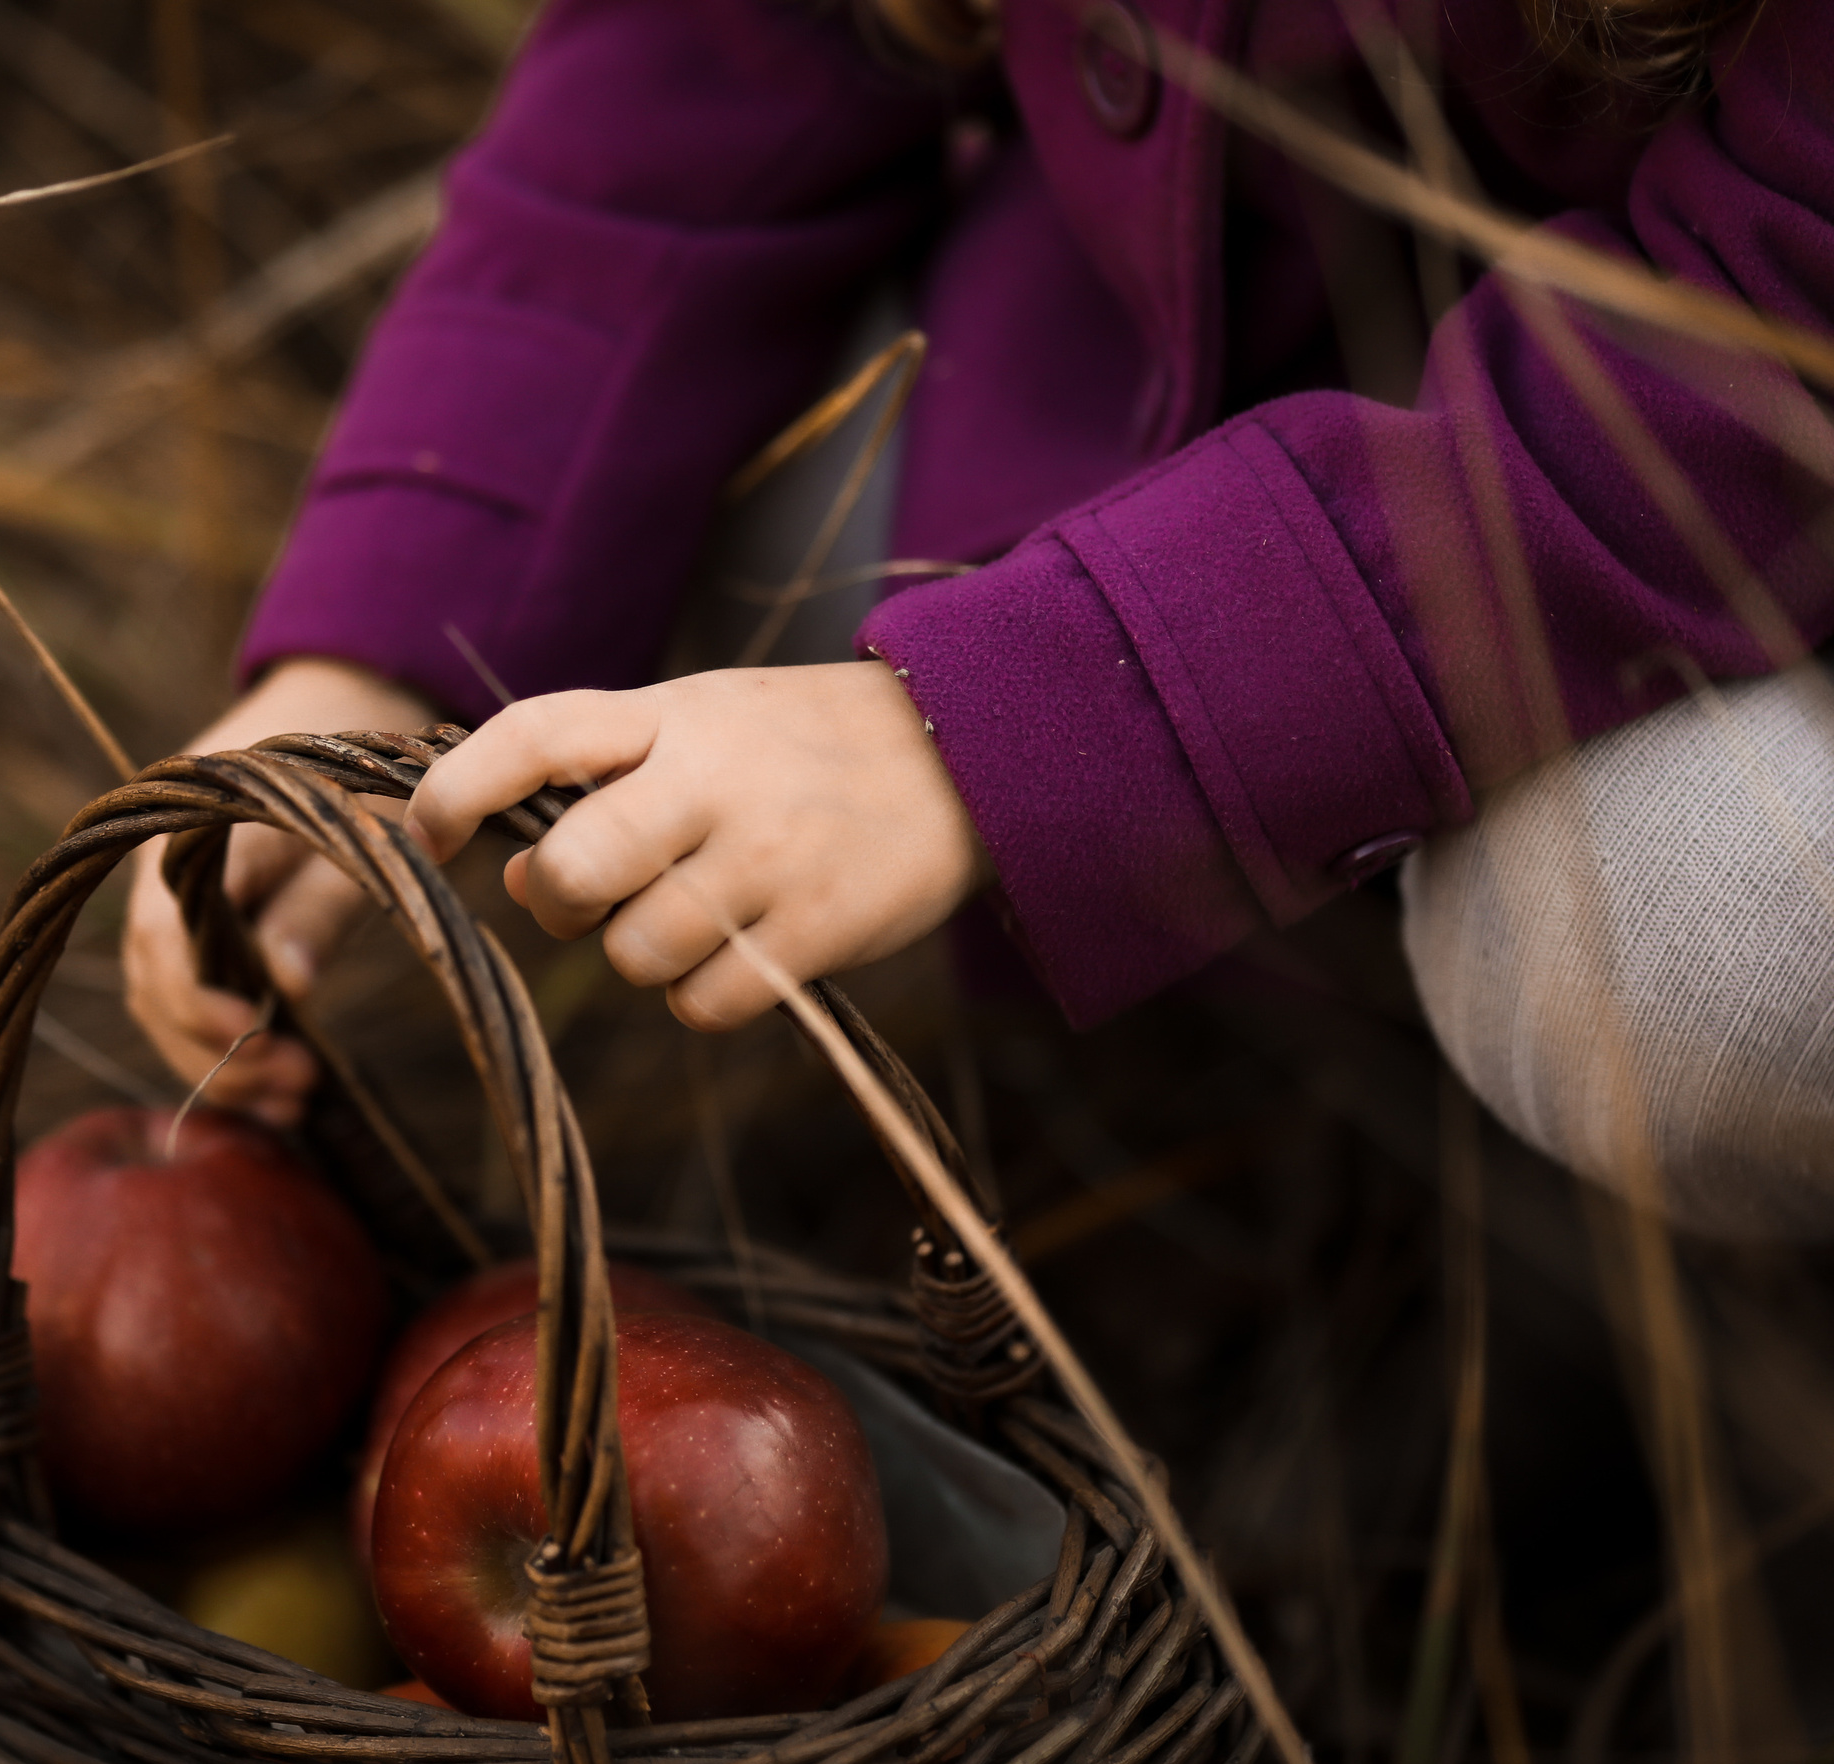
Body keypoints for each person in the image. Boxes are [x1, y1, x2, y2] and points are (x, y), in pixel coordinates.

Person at [122, 0, 1834, 1220]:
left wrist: (998, 730)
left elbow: (1766, 348)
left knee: (1694, 944)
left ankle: (1695, 1410)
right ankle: (1291, 1043)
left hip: (1733, 551)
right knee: (741, 503)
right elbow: (692, 81)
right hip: (1172, 387)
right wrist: (372, 644)